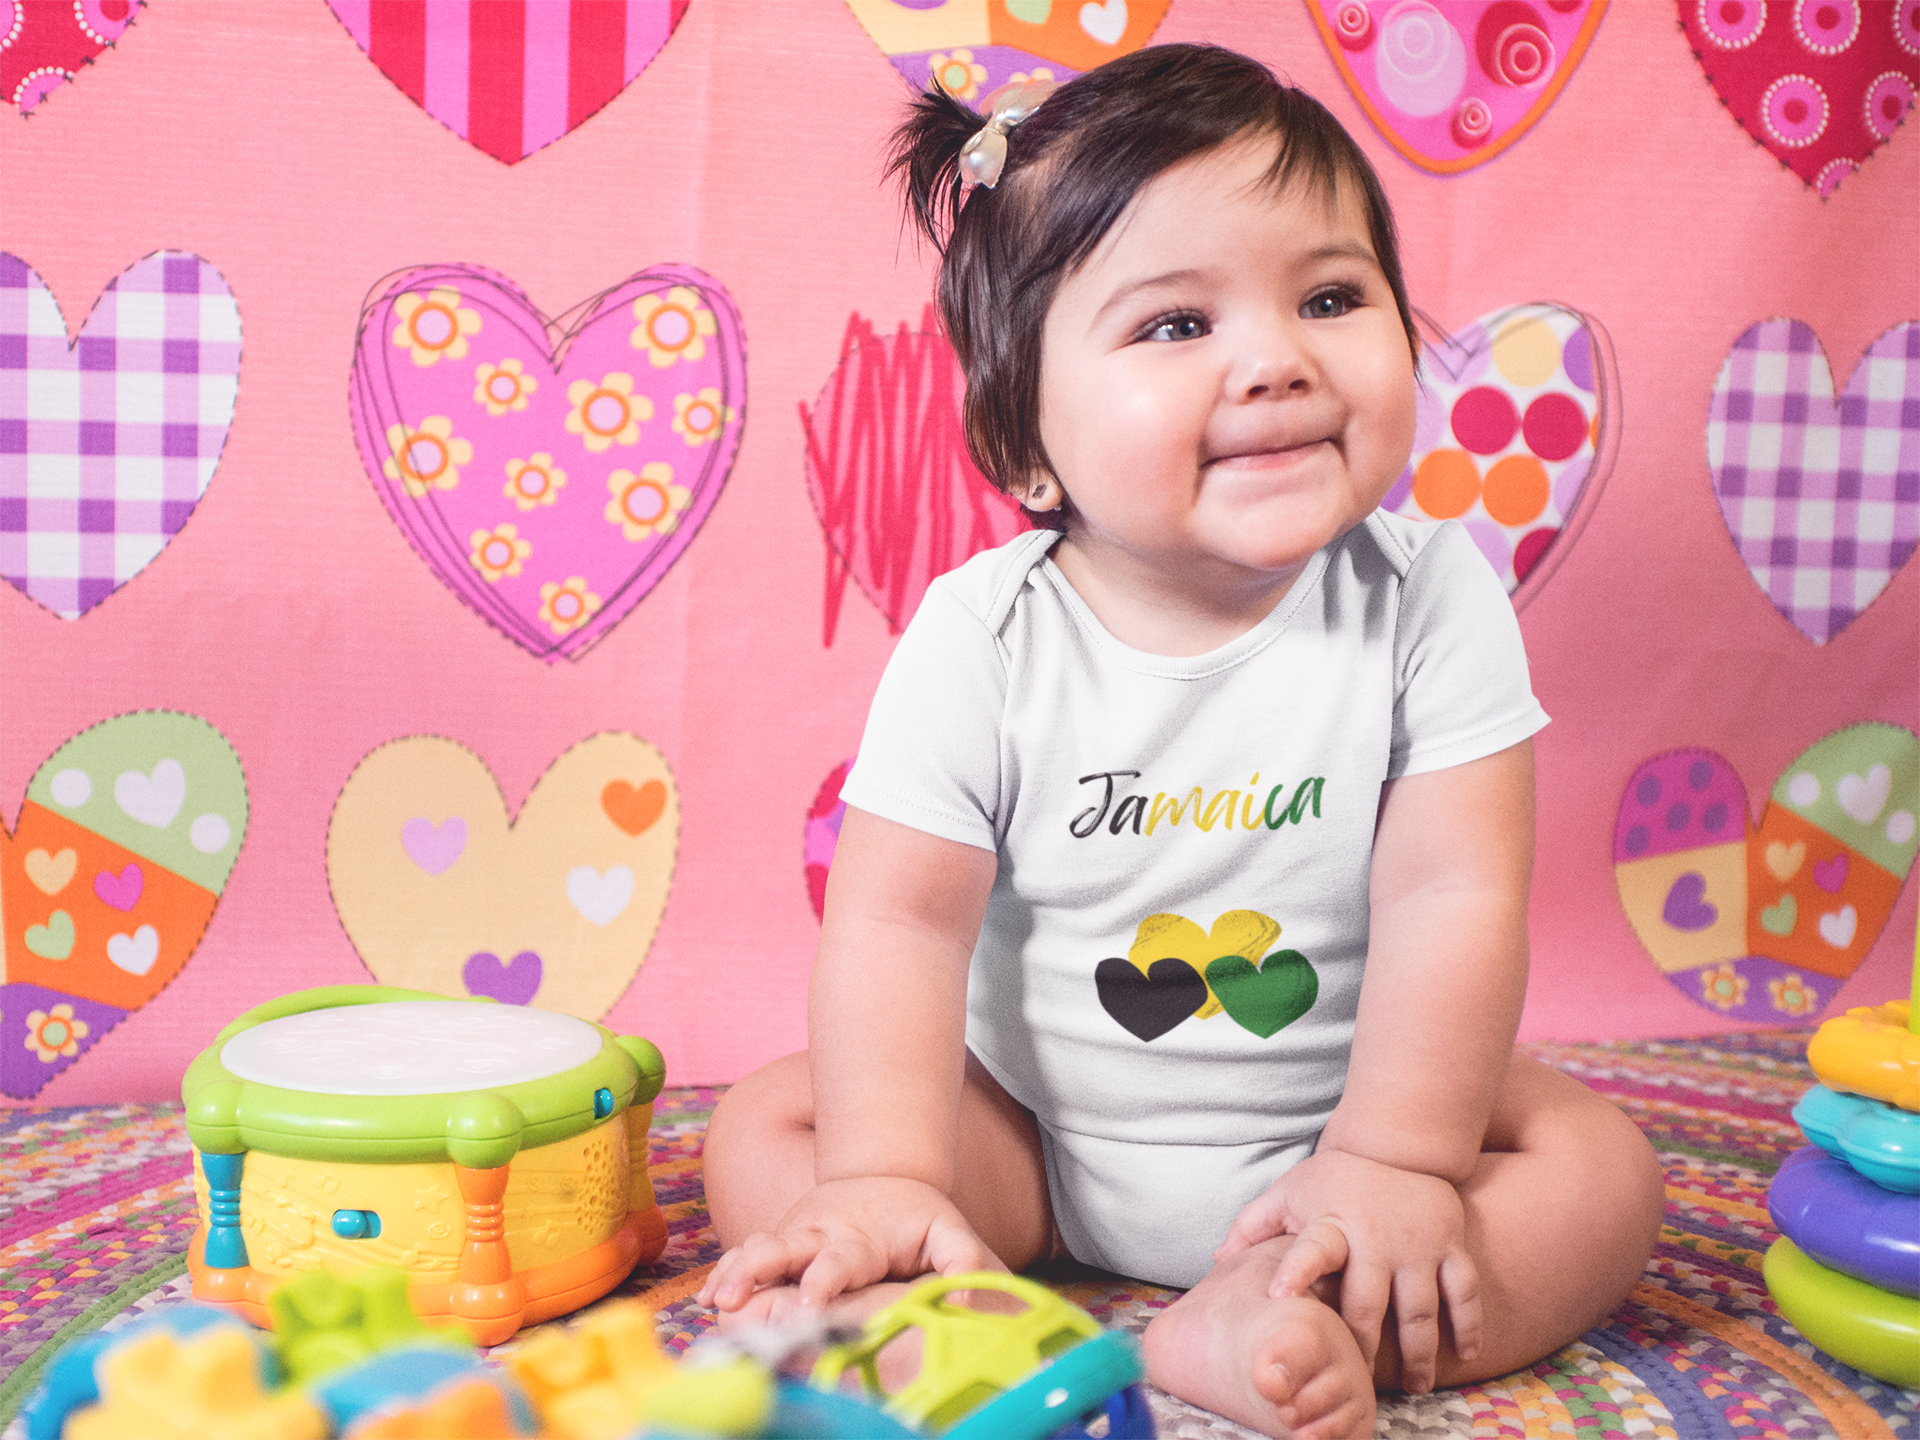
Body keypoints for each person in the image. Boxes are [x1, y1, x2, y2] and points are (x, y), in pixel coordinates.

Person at [699, 44, 1663, 1440]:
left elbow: (1456, 890)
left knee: (1595, 1170)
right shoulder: (984, 635)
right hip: (1033, 1132)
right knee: (778, 1135)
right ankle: (930, 1296)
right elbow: (902, 924)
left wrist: (1394, 1156)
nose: (1276, 359)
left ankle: (1283, 1309)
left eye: (1330, 297)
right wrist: (893, 1174)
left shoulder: (1427, 596)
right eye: (1173, 327)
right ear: (1025, 441)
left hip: (1341, 1116)